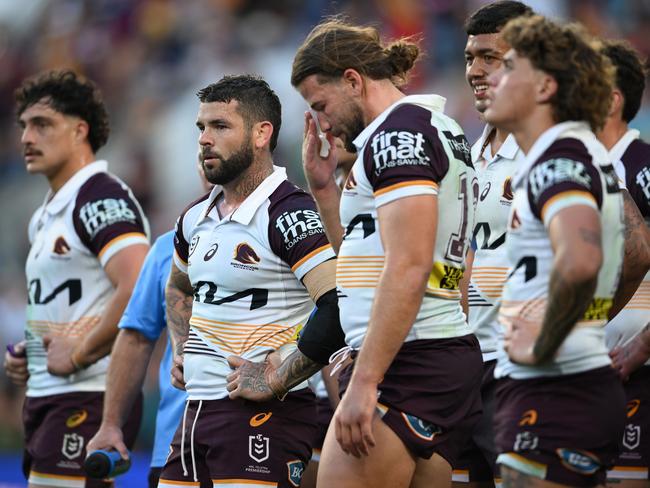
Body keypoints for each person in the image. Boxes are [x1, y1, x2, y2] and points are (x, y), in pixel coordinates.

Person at [229, 18, 483, 488]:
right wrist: (325, 192)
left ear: (352, 80)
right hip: (438, 351)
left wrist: (365, 381)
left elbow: (407, 267)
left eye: (320, 105)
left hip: (406, 361)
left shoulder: (395, 137)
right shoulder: (438, 127)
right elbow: (367, 263)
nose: (321, 122)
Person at [158, 74, 338, 488]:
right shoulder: (194, 217)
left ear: (261, 134)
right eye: (201, 127)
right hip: (195, 412)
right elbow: (178, 288)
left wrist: (277, 378)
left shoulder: (288, 213)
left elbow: (339, 304)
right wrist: (181, 348)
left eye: (220, 127)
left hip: (265, 415)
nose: (204, 139)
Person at [483, 15, 626, 487]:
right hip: (572, 386)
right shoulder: (573, 151)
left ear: (544, 86)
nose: (492, 78)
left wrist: (541, 342)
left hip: (557, 388)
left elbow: (582, 260)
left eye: (506, 65)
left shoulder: (558, 159)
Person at [3, 70, 149, 488]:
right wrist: (29, 354)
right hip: (51, 395)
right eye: (24, 126)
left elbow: (137, 285)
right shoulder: (47, 214)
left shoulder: (99, 196)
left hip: (89, 391)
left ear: (80, 130)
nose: (27, 137)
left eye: (42, 124)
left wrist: (81, 352)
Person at [86, 165, 212, 488]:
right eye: (201, 146)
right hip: (174, 442)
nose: (208, 156)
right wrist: (111, 424)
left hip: (260, 431)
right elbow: (136, 338)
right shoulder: (166, 248)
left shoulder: (282, 236)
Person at [456, 3, 532, 487]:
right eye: (468, 57)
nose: (475, 71)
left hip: (518, 368)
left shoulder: (547, 149)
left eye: (489, 56)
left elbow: (625, 252)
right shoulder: (466, 152)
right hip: (464, 366)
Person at [598, 39, 650, 486]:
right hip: (588, 369)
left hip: (636, 373)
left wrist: (643, 346)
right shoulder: (580, 167)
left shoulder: (643, 167)